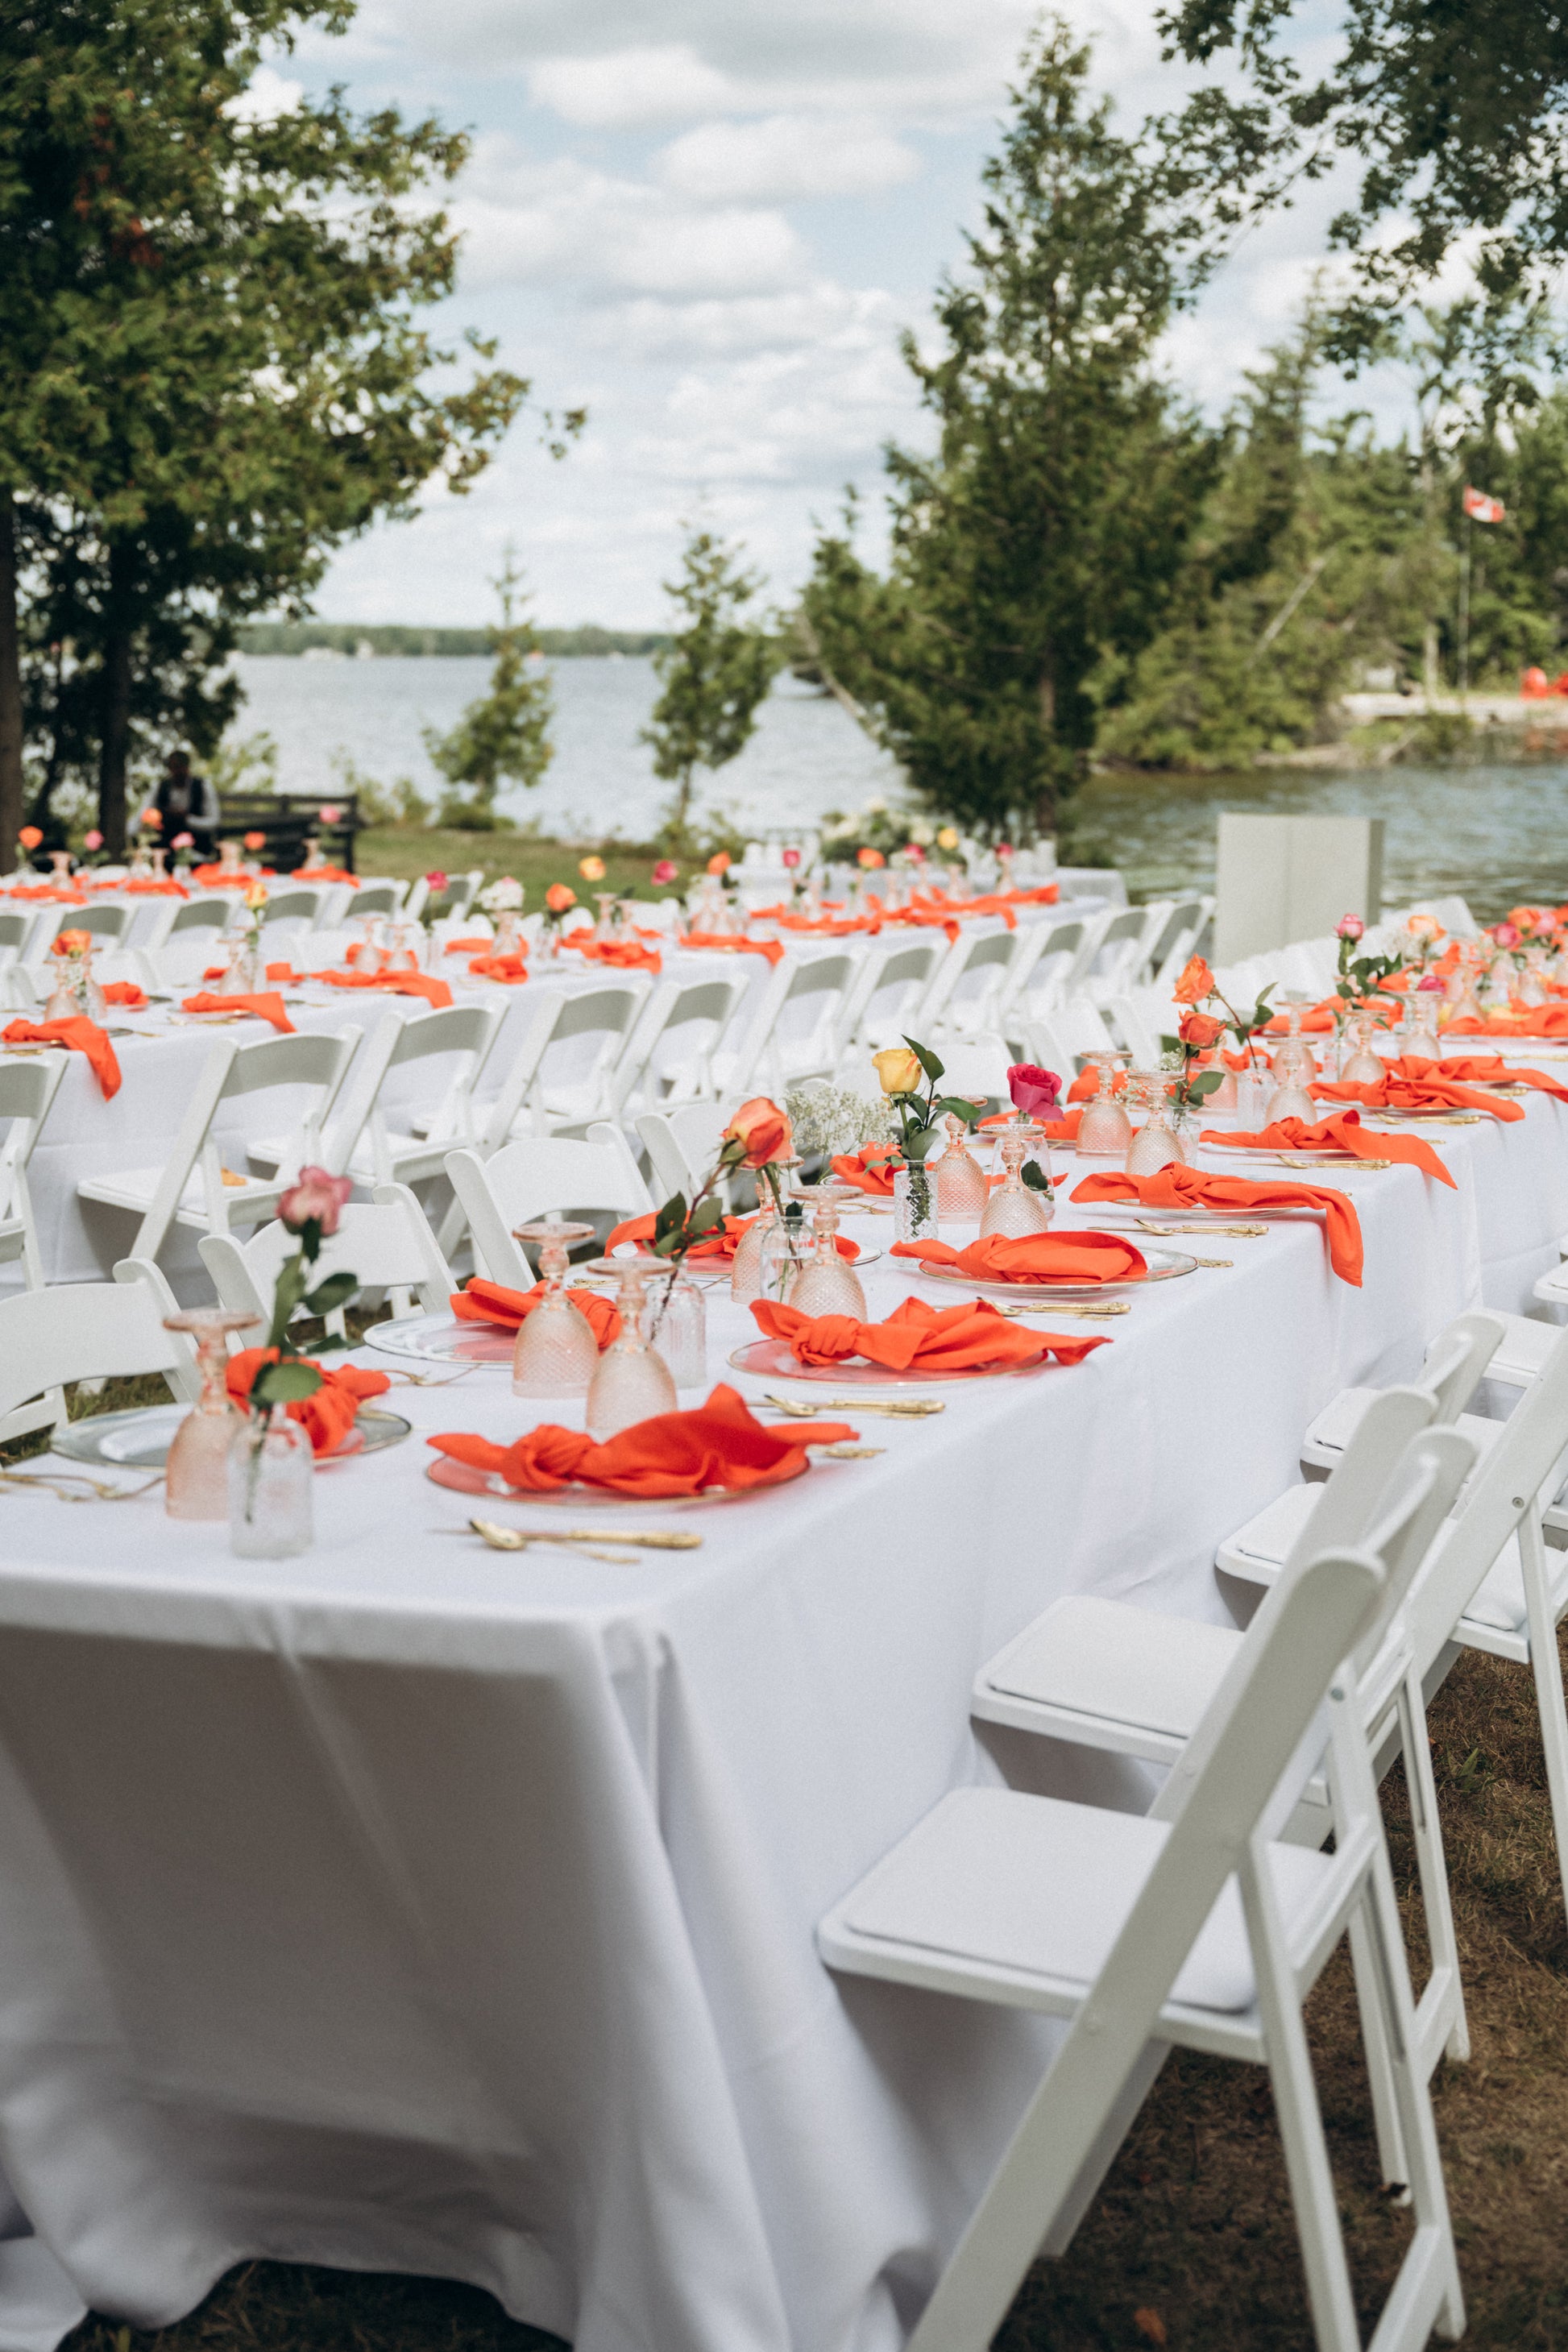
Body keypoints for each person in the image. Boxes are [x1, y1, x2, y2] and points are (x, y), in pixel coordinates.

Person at [152, 749, 222, 858]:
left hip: (199, 845)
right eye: (174, 767)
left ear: (187, 767)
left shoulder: (202, 786)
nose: (177, 771)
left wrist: (187, 819)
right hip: (167, 845)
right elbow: (145, 813)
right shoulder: (160, 787)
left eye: (180, 767)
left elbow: (214, 821)